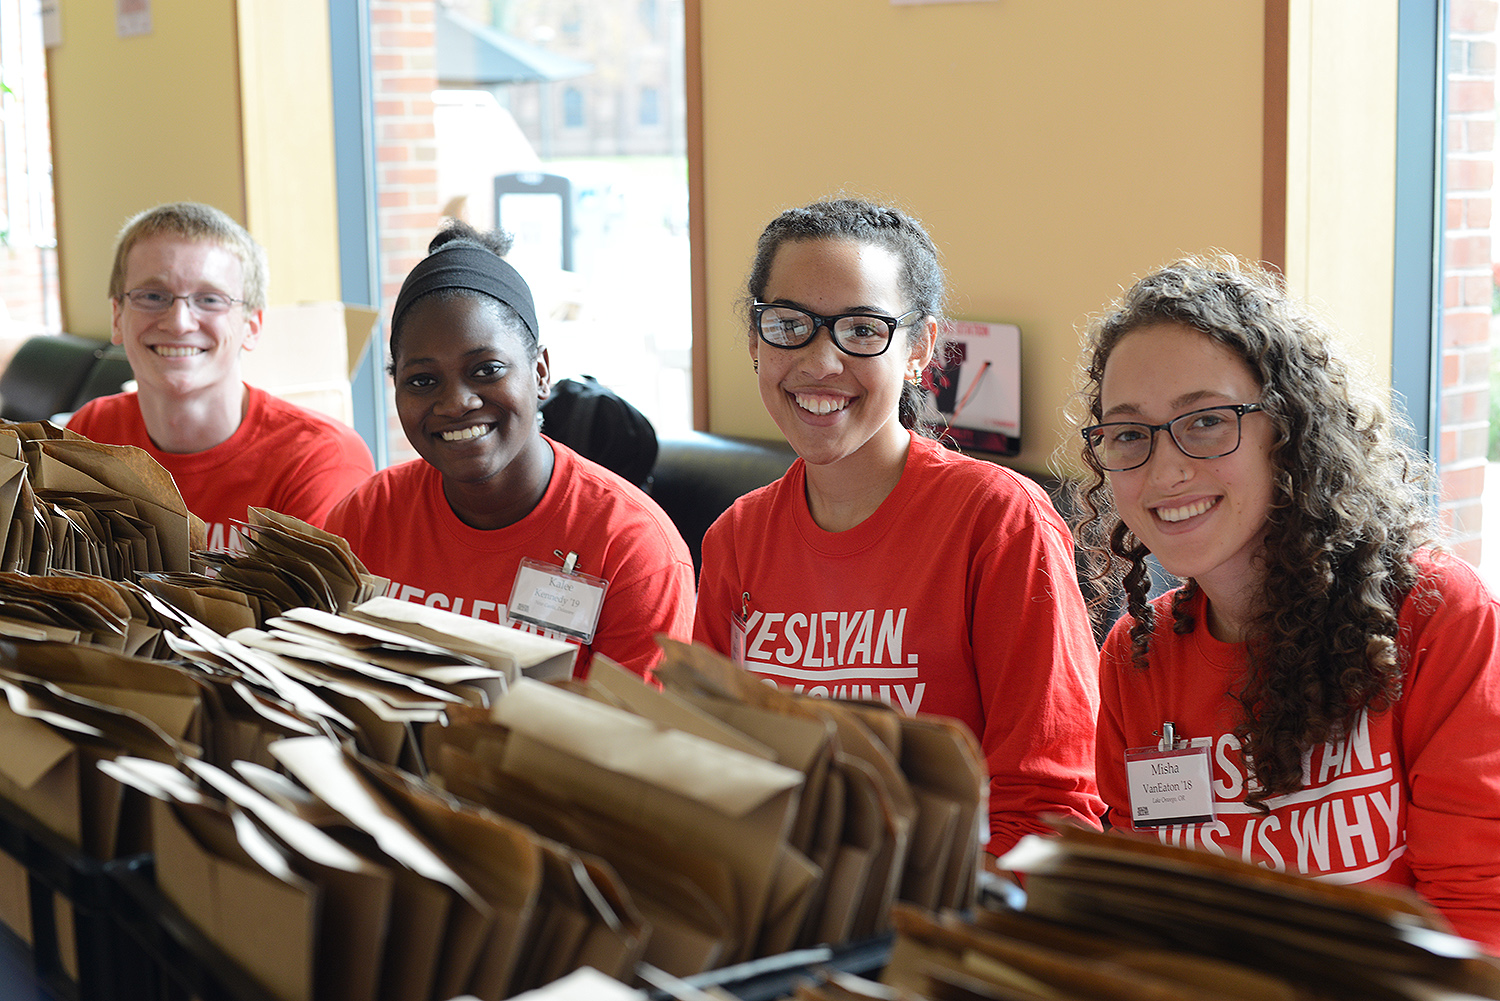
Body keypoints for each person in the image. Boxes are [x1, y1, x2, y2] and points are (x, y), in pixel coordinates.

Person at [1076, 253, 1500, 950]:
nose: (1166, 468)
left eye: (1206, 420)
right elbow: (1148, 925)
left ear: (1288, 427)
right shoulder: (1136, 659)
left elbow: (1478, 924)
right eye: (1129, 434)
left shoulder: (1434, 617)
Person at [692, 197, 1105, 860]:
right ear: (754, 339)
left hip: (939, 927)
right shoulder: (737, 536)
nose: (821, 362)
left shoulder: (999, 521)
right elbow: (703, 759)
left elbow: (1050, 807)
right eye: (789, 324)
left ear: (919, 349)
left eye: (861, 330)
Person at [323, 221, 694, 680]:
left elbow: (631, 741)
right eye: (422, 380)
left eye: (486, 370)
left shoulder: (630, 545)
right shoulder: (365, 517)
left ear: (540, 373)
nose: (457, 402)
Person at [67, 202, 374, 552]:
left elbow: (304, 608)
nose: (180, 322)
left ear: (252, 325)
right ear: (117, 316)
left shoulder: (320, 459)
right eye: (152, 296)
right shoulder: (91, 433)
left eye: (210, 299)